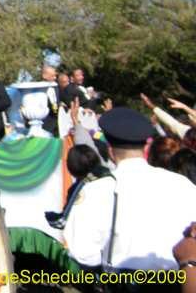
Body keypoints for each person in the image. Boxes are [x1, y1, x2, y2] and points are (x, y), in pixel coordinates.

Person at [63, 108, 196, 285]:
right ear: (146, 147)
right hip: (179, 282)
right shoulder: (182, 184)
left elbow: (83, 253)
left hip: (123, 283)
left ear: (110, 150)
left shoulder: (95, 190)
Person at [40, 65, 60, 137]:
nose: (55, 78)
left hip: (56, 125)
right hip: (45, 125)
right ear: (44, 76)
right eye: (52, 76)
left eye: (55, 75)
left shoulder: (56, 87)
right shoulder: (39, 89)